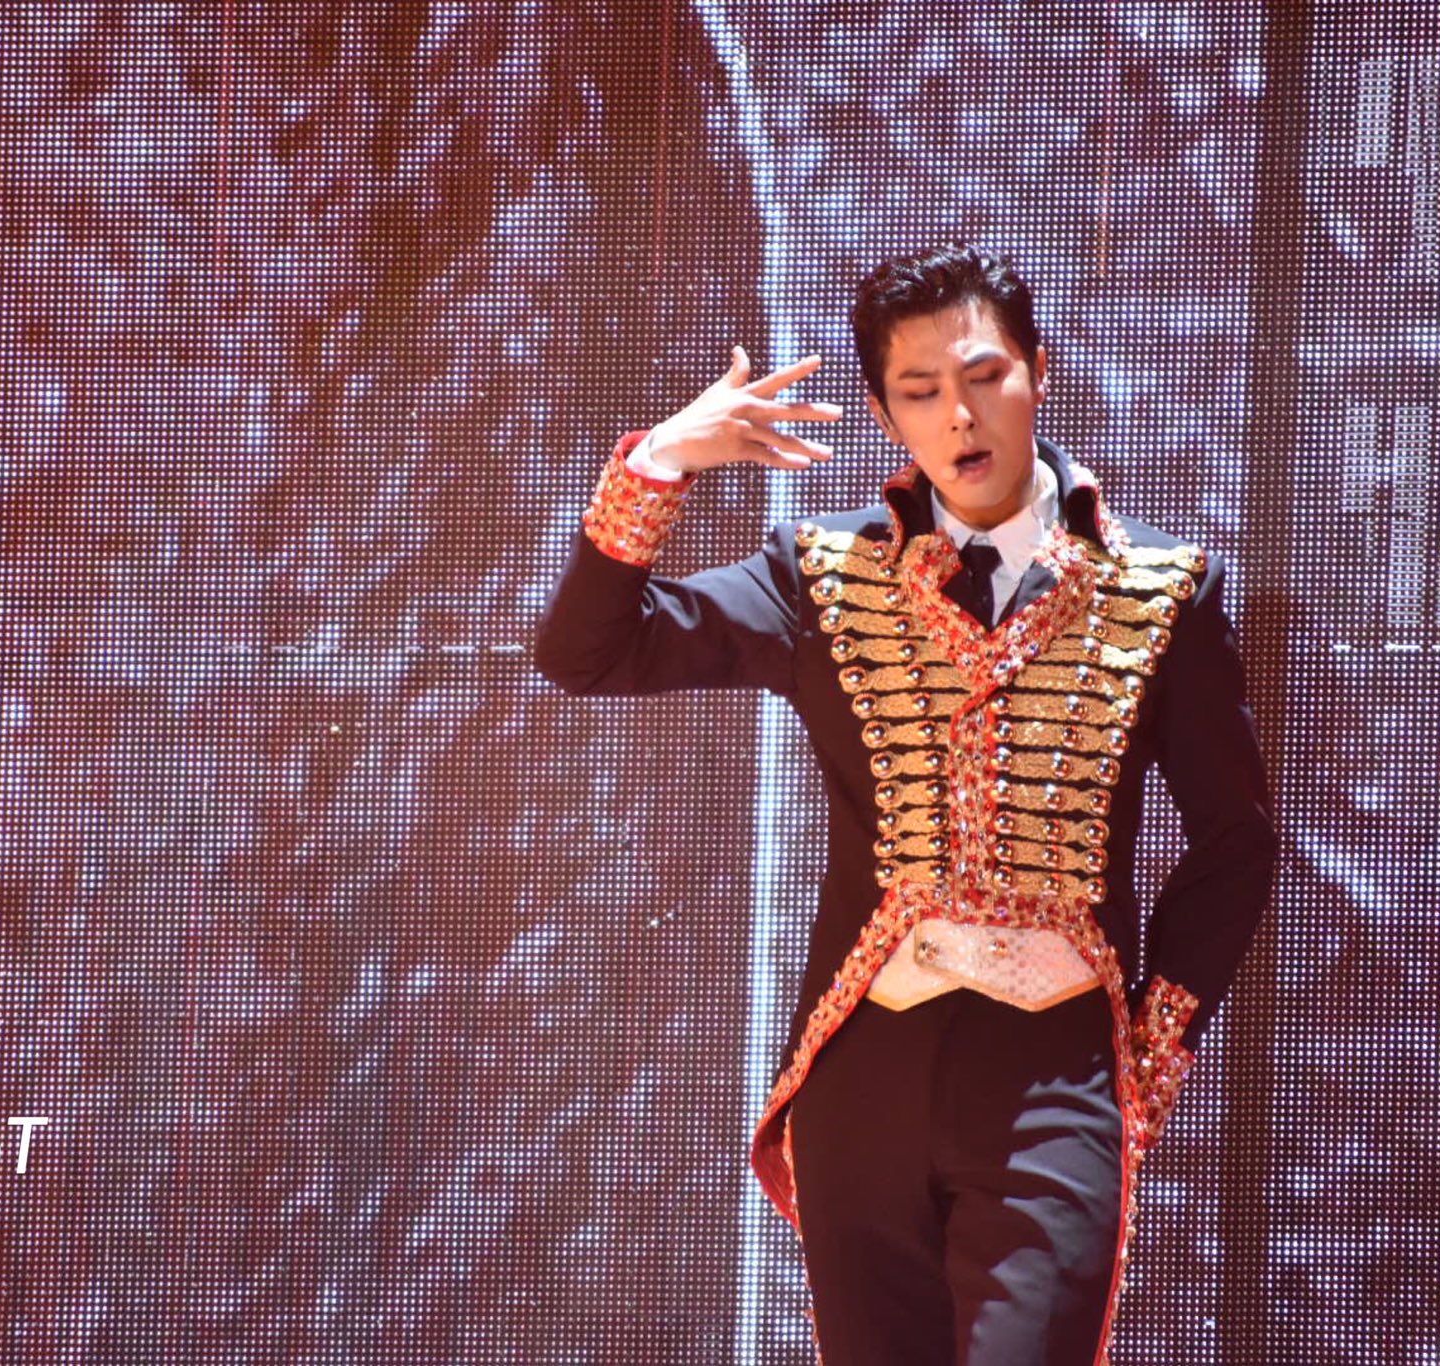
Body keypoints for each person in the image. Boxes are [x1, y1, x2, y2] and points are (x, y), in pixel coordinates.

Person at [532, 241, 1277, 1365]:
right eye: (920, 392)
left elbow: (1233, 844)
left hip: (1055, 1073)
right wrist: (662, 464)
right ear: (885, 418)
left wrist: (1148, 1049)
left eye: (983, 375)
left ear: (1037, 370)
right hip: (865, 1079)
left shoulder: (1159, 588)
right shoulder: (825, 576)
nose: (958, 416)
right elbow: (586, 652)